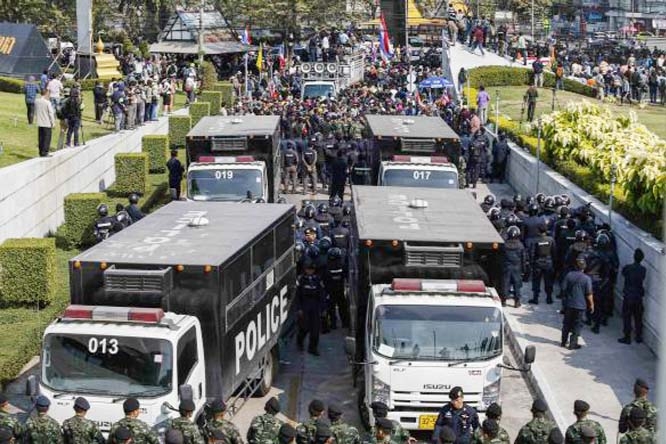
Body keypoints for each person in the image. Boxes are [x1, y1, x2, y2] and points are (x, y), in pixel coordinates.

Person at [561, 255, 594, 350]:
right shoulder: (587, 279)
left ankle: (563, 342)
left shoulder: (569, 275)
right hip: (580, 306)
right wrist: (592, 305)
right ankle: (573, 344)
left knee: (566, 323)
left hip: (569, 304)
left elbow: (563, 289)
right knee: (577, 325)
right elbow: (589, 294)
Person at [618, 248, 647, 344]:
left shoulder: (628, 268)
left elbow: (623, 274)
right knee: (638, 317)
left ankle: (627, 337)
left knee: (627, 317)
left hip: (629, 295)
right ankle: (638, 336)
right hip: (638, 296)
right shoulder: (643, 270)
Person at [296, 262, 325, 355]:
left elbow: (321, 294)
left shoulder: (317, 280)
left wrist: (323, 308)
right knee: (305, 327)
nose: (310, 271)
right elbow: (298, 295)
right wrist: (299, 308)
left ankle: (313, 348)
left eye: (312, 269)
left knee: (315, 329)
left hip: (315, 306)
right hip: (305, 305)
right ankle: (299, 342)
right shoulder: (301, 280)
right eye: (308, 269)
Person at [529, 223, 555, 305]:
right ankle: (549, 298)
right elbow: (554, 251)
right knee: (548, 281)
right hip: (548, 262)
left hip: (538, 262)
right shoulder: (551, 239)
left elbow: (532, 253)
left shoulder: (535, 240)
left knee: (536, 281)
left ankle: (535, 298)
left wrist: (531, 263)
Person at [502, 226, 528, 308]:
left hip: (507, 266)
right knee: (517, 285)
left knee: (506, 284)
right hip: (517, 267)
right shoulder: (520, 245)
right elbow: (523, 258)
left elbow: (500, 256)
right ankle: (517, 302)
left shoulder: (504, 245)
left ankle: (504, 301)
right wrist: (524, 270)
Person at [35, 88, 55, 157]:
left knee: (40, 138)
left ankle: (41, 152)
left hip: (40, 123)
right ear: (46, 93)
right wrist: (53, 123)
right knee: (47, 139)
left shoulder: (36, 101)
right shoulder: (47, 102)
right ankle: (45, 152)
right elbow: (51, 113)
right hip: (47, 123)